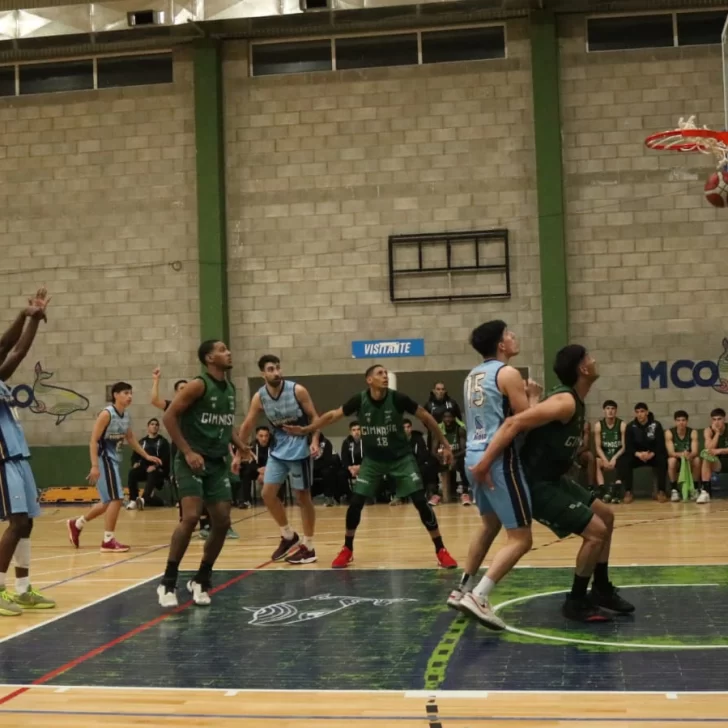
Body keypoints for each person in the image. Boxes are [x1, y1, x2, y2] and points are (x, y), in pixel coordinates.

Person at [471, 345, 634, 623]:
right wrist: (484, 464)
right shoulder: (565, 401)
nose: (595, 360)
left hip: (554, 479)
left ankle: (601, 588)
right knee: (595, 532)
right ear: (583, 368)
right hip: (534, 484)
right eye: (590, 357)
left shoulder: (575, 401)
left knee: (606, 516)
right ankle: (576, 602)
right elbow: (513, 423)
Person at [284, 364, 458, 570]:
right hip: (373, 461)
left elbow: (426, 417)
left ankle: (441, 549)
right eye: (379, 373)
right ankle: (347, 549)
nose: (385, 376)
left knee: (420, 501)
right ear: (369, 380)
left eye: (385, 373)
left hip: (401, 458)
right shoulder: (359, 400)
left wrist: (445, 444)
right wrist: (307, 429)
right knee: (356, 503)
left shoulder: (398, 398)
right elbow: (332, 416)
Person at [447, 320, 541, 628]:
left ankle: (462, 588)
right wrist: (534, 396)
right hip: (497, 458)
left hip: (473, 456)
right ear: (501, 344)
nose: (514, 337)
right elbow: (524, 421)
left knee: (489, 525)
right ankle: (480, 596)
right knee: (521, 538)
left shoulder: (472, 375)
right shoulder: (508, 373)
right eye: (509, 334)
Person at [157, 340, 248, 607]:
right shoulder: (198, 385)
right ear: (209, 358)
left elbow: (225, 424)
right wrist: (187, 451)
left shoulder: (230, 388)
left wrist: (240, 445)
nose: (228, 352)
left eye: (227, 349)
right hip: (192, 461)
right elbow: (168, 417)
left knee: (222, 521)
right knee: (191, 517)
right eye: (222, 350)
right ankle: (168, 581)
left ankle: (201, 578)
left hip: (217, 463)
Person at [0, 288, 55, 616]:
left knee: (27, 523)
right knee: (17, 522)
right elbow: (13, 349)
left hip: (18, 457)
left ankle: (23, 590)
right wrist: (28, 317)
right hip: (2, 461)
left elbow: (12, 347)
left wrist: (29, 316)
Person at [236, 355, 321, 565]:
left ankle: (309, 547)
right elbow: (247, 425)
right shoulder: (260, 397)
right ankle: (288, 535)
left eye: (277, 368)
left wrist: (314, 440)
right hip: (278, 450)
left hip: (300, 449)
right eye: (271, 369)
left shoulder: (297, 390)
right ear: (263, 374)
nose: (276, 372)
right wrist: (238, 454)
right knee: (267, 494)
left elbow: (314, 417)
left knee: (302, 498)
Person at [68, 382, 163, 553]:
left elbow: (131, 438)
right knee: (117, 498)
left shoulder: (126, 415)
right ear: (115, 395)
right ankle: (108, 540)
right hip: (104, 459)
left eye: (131, 393)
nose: (130, 396)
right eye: (126, 393)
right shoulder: (106, 414)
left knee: (107, 502)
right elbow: (93, 441)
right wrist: (94, 466)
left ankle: (77, 524)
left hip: (113, 460)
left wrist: (146, 456)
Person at [618, 403, 668, 504]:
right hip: (637, 456)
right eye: (637, 412)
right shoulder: (630, 426)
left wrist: (652, 454)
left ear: (647, 412)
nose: (640, 414)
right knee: (624, 460)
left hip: (652, 455)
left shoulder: (656, 425)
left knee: (662, 460)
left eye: (642, 411)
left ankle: (661, 491)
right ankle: (628, 491)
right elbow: (628, 446)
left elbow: (660, 444)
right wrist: (638, 454)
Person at [126, 417, 170, 510]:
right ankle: (133, 500)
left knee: (152, 472)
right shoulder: (142, 442)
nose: (154, 426)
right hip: (144, 468)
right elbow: (135, 456)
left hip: (158, 470)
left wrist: (155, 466)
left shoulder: (163, 441)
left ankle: (143, 499)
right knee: (132, 473)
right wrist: (135, 463)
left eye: (156, 425)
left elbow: (165, 459)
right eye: (152, 424)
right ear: (148, 427)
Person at [594, 400, 625, 503]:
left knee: (623, 460)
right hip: (605, 455)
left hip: (617, 455)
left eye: (612, 409)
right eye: (608, 408)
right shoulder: (598, 425)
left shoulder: (622, 424)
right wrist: (604, 459)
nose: (610, 411)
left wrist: (614, 458)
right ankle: (602, 490)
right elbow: (598, 447)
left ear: (616, 411)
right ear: (604, 410)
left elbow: (624, 447)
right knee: (596, 462)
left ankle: (617, 491)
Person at [666, 410, 700, 502]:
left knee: (697, 460)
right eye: (678, 420)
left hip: (689, 458)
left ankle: (694, 489)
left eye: (683, 420)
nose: (681, 422)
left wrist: (689, 455)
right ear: (675, 421)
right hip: (677, 459)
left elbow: (695, 451)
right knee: (671, 461)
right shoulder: (669, 432)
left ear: (687, 421)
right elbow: (671, 452)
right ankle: (674, 490)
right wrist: (682, 454)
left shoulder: (692, 432)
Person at [699, 408, 728, 504]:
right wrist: (717, 433)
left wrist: (720, 450)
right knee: (706, 455)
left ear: (724, 419)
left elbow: (716, 451)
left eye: (719, 419)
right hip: (719, 463)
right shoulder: (708, 430)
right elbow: (709, 448)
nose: (716, 422)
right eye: (714, 419)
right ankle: (705, 492)